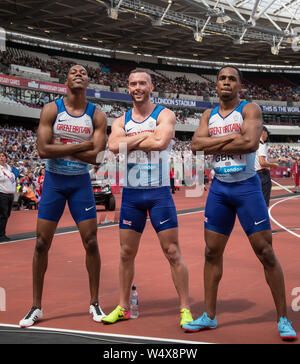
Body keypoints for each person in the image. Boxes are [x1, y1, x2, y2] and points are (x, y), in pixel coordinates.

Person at [182, 66, 297, 341]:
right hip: (220, 190)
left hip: (247, 188)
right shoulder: (208, 114)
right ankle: (209, 315)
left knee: (265, 252)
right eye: (222, 78)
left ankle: (283, 318)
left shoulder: (250, 109)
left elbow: (250, 144)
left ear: (239, 86)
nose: (226, 82)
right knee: (211, 253)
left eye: (232, 79)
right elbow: (196, 144)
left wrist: (213, 142)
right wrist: (230, 138)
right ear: (216, 84)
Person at [19, 64, 108, 327]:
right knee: (40, 243)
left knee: (91, 242)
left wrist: (64, 147)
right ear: (65, 80)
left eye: (83, 72)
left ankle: (94, 303)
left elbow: (99, 157)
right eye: (73, 72)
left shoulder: (97, 115)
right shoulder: (51, 109)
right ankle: (36, 306)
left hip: (80, 183)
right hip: (55, 183)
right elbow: (43, 150)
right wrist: (83, 145)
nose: (78, 73)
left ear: (88, 81)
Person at [103, 69, 193, 327]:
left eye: (142, 83)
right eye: (133, 84)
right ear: (128, 88)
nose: (138, 87)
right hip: (132, 194)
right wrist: (145, 137)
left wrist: (128, 142)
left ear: (151, 87)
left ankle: (185, 309)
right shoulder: (120, 120)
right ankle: (122, 306)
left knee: (173, 251)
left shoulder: (164, 114)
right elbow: (112, 146)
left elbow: (160, 142)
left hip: (158, 193)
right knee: (125, 253)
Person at [255, 126, 279, 206]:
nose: (267, 135)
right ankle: (263, 218)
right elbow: (262, 162)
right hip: (263, 174)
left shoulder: (254, 145)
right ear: (263, 133)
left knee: (256, 200)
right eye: (267, 133)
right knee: (264, 201)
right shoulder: (261, 145)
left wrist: (278, 160)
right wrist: (273, 165)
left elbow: (263, 160)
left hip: (255, 175)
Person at [0, 151, 16, 242]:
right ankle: (1, 235)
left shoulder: (8, 168)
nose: (1, 157)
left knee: (7, 215)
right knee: (3, 215)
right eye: (0, 156)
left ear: (6, 158)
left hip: (10, 195)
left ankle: (2, 233)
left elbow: (12, 179)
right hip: (2, 194)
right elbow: (2, 178)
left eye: (3, 156)